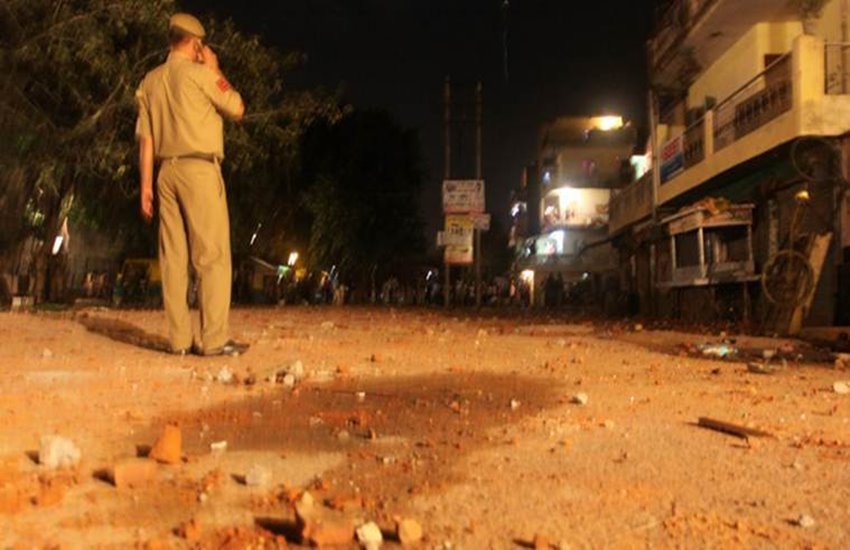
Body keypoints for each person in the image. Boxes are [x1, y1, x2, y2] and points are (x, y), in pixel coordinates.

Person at [135, 13, 248, 356]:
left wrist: (145, 186)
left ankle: (180, 341)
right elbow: (237, 108)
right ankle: (214, 339)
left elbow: (146, 139)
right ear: (196, 44)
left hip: (165, 173)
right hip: (199, 169)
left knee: (173, 258)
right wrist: (215, 69)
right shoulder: (201, 75)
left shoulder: (150, 82)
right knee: (212, 255)